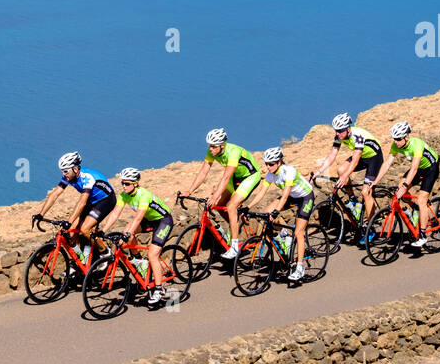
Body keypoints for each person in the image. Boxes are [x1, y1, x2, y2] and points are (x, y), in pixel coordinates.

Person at [180, 127, 263, 260]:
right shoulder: (212, 152)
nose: (210, 149)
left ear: (222, 145)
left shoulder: (233, 152)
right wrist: (190, 190)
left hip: (250, 177)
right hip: (235, 178)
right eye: (209, 146)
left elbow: (225, 177)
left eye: (213, 146)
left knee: (231, 206)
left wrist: (214, 195)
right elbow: (203, 172)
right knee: (219, 205)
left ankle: (235, 247)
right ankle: (234, 225)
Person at [100, 168, 175, 305]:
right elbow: (115, 214)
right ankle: (139, 261)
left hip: (163, 221)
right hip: (149, 220)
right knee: (127, 230)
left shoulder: (144, 195)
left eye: (127, 184)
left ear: (135, 184)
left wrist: (129, 233)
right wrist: (102, 230)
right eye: (122, 183)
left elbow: (138, 218)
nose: (124, 186)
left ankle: (159, 289)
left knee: (152, 254)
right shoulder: (124, 195)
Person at [315, 112, 384, 243]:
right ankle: (354, 201)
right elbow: (332, 155)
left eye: (340, 131)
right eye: (336, 131)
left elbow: (355, 161)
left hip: (374, 158)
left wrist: (345, 176)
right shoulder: (339, 136)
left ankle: (371, 228)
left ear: (347, 129)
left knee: (365, 192)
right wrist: (318, 171)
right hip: (363, 156)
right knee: (340, 169)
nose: (338, 134)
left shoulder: (357, 136)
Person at [32, 152, 117, 255]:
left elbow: (82, 202)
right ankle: (80, 260)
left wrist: (69, 221)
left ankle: (105, 253)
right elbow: (55, 194)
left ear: (75, 169)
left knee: (85, 229)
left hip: (106, 200)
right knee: (71, 232)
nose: (63, 174)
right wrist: (41, 214)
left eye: (65, 171)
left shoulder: (87, 178)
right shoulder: (69, 176)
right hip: (92, 200)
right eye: (62, 171)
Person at [375, 121, 440, 248]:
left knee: (421, 199)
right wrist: (375, 181)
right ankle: (414, 209)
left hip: (431, 168)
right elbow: (387, 163)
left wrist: (404, 187)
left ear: (406, 137)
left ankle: (422, 235)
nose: (397, 142)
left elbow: (414, 168)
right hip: (419, 168)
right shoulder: (396, 145)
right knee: (401, 189)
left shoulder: (417, 144)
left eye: (399, 139)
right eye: (395, 139)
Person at [253, 146, 314, 282]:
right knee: (265, 213)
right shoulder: (270, 174)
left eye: (271, 164)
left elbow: (285, 195)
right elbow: (261, 192)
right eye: (266, 164)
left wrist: (276, 212)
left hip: (305, 197)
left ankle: (299, 267)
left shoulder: (289, 171)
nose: (268, 167)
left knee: (298, 232)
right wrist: (247, 206)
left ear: (279, 162)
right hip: (293, 196)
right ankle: (285, 236)